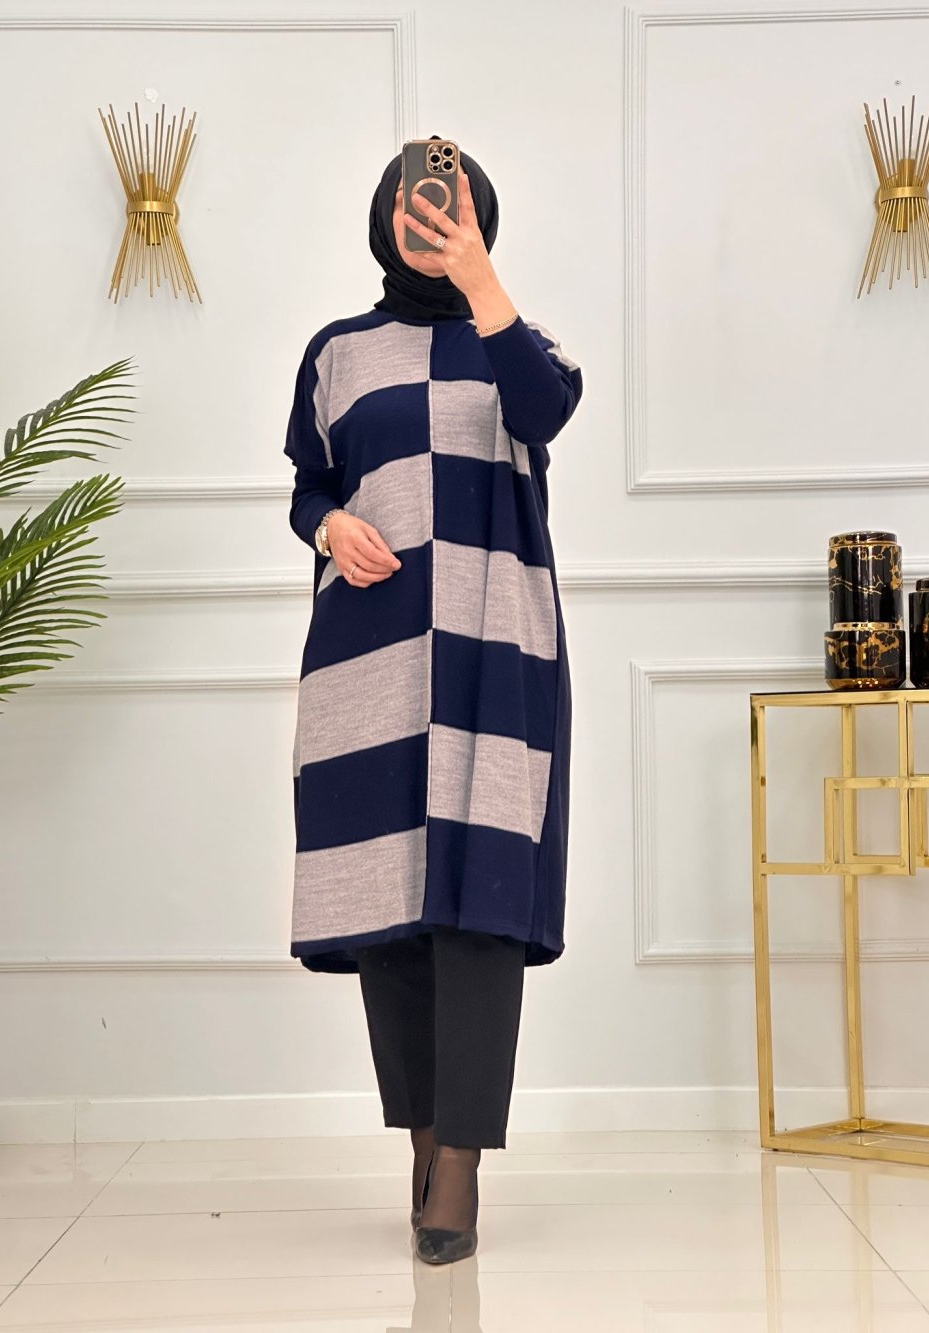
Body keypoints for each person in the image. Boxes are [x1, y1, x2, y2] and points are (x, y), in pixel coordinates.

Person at [283, 137, 583, 1265]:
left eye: (451, 210)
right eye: (414, 211)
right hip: (369, 654)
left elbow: (543, 414)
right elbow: (310, 481)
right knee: (392, 905)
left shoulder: (521, 343)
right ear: (383, 219)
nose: (430, 226)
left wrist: (478, 280)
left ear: (480, 220)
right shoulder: (336, 353)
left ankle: (458, 1162)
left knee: (480, 903)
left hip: (496, 649)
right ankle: (420, 1136)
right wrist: (329, 525)